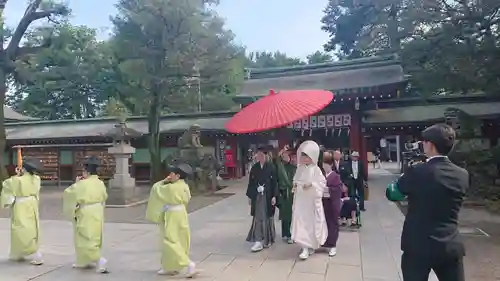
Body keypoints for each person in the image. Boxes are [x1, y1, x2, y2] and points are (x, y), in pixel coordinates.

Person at [388, 123, 468, 281]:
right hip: (450, 244)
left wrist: (406, 176)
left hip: (418, 245)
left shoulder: (418, 171)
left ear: (430, 145)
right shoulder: (462, 174)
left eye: (423, 142)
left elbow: (393, 194)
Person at [145, 162, 198, 277]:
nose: (170, 175)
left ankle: (188, 263)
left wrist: (164, 181)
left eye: (172, 173)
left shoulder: (169, 187)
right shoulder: (184, 185)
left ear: (178, 176)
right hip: (182, 212)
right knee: (181, 239)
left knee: (170, 240)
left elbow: (156, 188)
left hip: (172, 214)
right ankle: (170, 266)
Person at [63, 156, 109, 273]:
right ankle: (83, 260)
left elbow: (69, 193)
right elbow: (104, 197)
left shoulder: (82, 184)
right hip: (97, 210)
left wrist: (77, 183)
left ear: (86, 171)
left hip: (86, 212)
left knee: (85, 236)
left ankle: (99, 259)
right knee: (95, 236)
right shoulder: (100, 183)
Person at [1, 159, 43, 265]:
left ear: (23, 169)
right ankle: (20, 253)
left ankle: (34, 253)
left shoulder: (16, 180)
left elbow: (7, 185)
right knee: (32, 228)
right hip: (32, 204)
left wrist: (17, 175)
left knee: (21, 228)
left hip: (21, 205)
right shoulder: (36, 179)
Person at [290, 140, 328, 260]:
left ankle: (310, 246)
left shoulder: (316, 169)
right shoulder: (300, 169)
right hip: (301, 201)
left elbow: (322, 183)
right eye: (303, 156)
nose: (305, 159)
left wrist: (311, 184)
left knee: (311, 225)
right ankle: (304, 248)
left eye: (307, 156)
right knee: (301, 223)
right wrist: (295, 185)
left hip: (311, 202)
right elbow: (296, 180)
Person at [246, 145, 278, 252]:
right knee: (258, 216)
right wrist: (250, 196)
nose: (259, 157)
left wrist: (274, 196)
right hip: (257, 195)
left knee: (267, 216)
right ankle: (258, 240)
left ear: (266, 155)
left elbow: (275, 183)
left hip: (268, 195)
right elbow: (251, 183)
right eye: (258, 155)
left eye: (261, 155)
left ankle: (268, 239)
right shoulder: (254, 168)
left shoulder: (271, 167)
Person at [321, 151, 344, 257]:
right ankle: (324, 243)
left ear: (331, 165)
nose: (325, 166)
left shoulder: (335, 176)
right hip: (323, 202)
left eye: (327, 164)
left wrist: (328, 189)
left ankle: (333, 245)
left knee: (333, 224)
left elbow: (339, 189)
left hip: (332, 202)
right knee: (324, 223)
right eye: (323, 164)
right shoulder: (321, 175)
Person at [276, 145, 297, 244]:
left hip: (292, 193)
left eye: (288, 155)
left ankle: (290, 234)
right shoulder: (280, 166)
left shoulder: (293, 167)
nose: (287, 157)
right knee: (284, 215)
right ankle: (285, 233)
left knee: (290, 215)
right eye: (285, 155)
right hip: (283, 193)